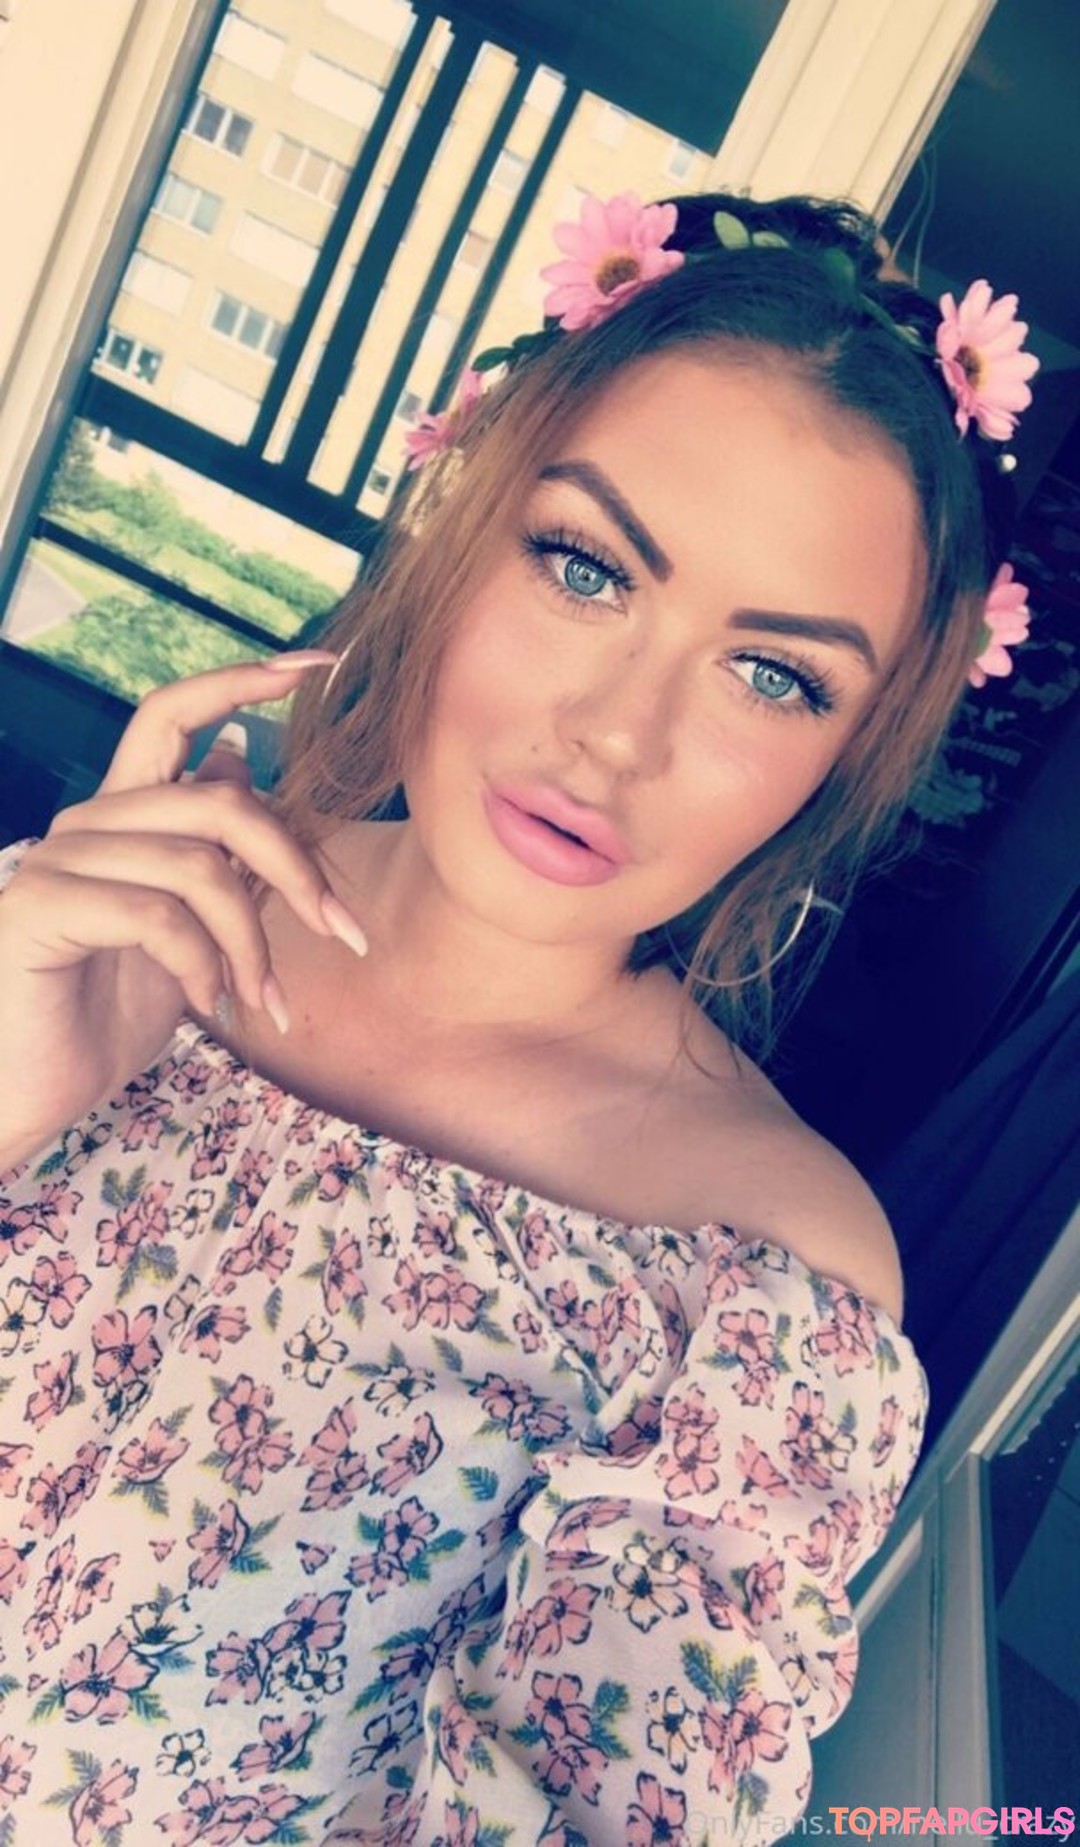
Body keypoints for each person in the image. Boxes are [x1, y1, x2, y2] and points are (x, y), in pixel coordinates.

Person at [0, 191, 1037, 1845]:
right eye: (584, 566)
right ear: (460, 524)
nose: (618, 732)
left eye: (773, 675)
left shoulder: (760, 1282)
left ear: (844, 763)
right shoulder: (87, 922)